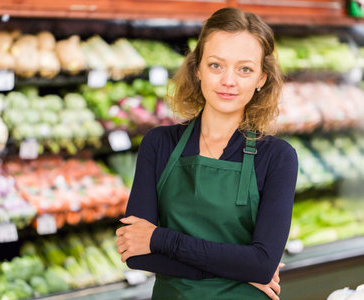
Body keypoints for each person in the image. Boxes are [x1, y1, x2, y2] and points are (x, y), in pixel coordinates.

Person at [115, 7, 299, 300]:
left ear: (262, 78)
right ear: (197, 68)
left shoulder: (277, 157)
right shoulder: (159, 143)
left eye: (245, 69)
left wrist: (159, 239)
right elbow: (135, 254)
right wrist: (239, 270)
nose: (229, 80)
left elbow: (262, 264)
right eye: (216, 65)